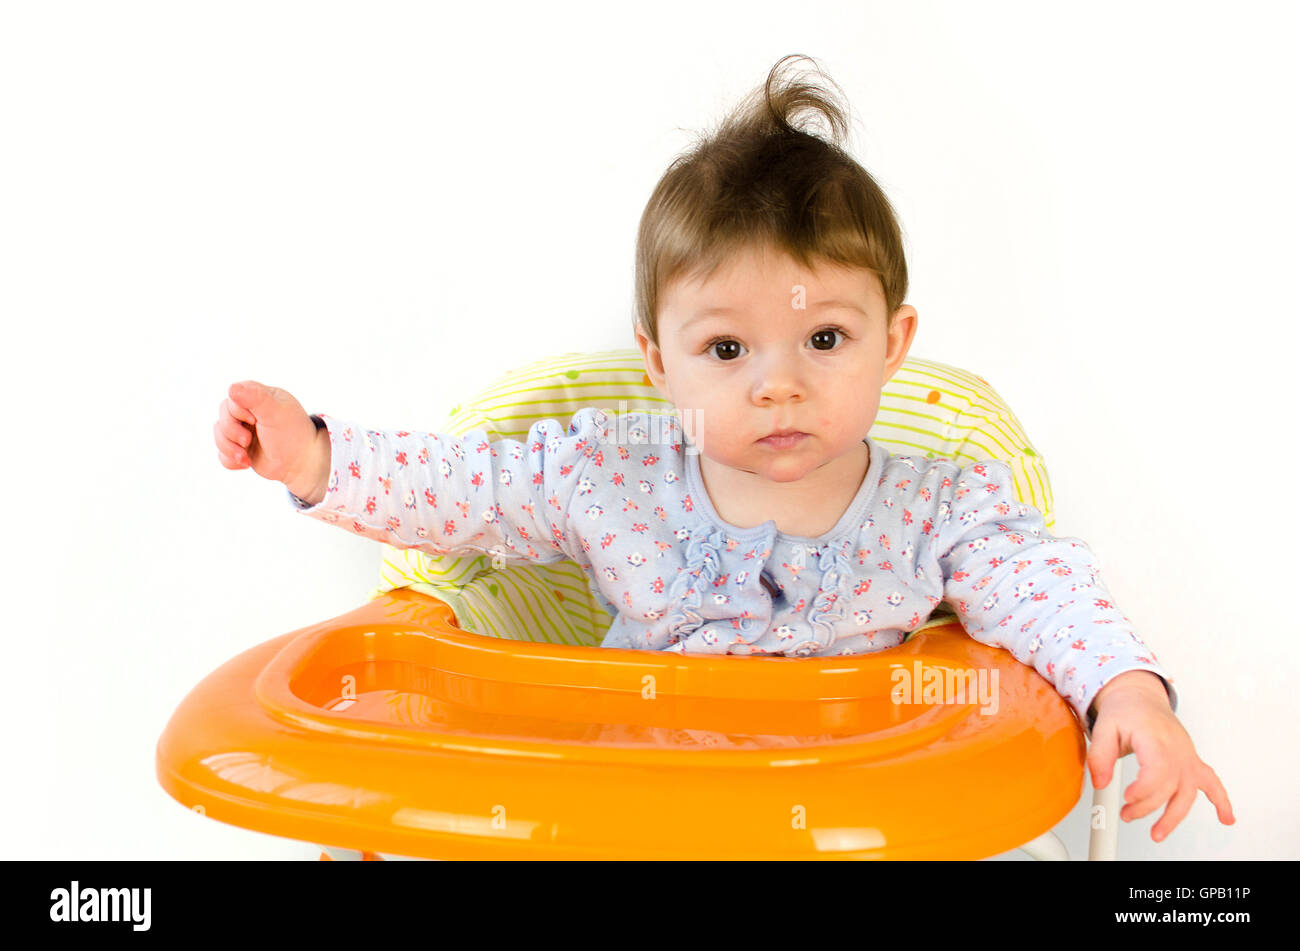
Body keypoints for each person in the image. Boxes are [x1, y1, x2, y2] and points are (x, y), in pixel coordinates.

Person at [213, 54, 1233, 844]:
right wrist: (312, 457)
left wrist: (1127, 695)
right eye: (726, 347)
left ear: (894, 345)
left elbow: (1049, 589)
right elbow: (472, 488)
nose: (776, 383)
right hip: (648, 812)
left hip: (852, 819)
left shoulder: (943, 504)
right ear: (659, 365)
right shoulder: (609, 473)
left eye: (824, 339)